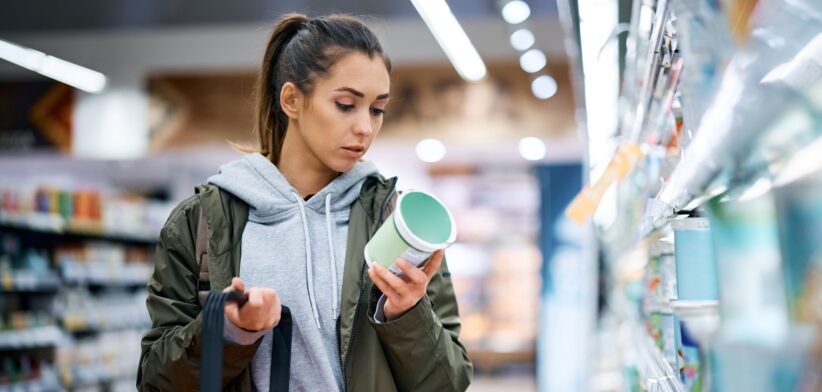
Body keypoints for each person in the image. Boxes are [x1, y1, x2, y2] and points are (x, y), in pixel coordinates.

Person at [136, 12, 473, 392]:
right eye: (346, 104)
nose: (365, 127)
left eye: (377, 109)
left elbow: (450, 384)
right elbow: (155, 381)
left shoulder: (396, 223)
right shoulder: (200, 223)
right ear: (292, 100)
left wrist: (407, 315)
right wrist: (228, 331)